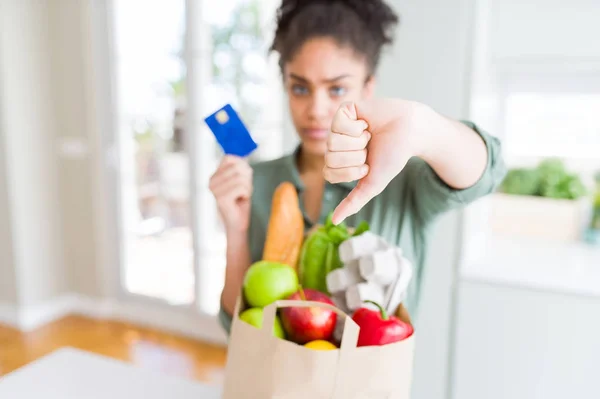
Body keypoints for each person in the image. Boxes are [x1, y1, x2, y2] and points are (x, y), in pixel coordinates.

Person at [210, 0, 506, 334]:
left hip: (373, 386)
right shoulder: (258, 182)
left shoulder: (405, 181)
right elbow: (236, 327)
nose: (316, 109)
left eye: (336, 89)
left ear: (368, 88)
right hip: (271, 385)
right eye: (300, 88)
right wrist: (236, 231)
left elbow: (488, 173)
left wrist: (423, 127)